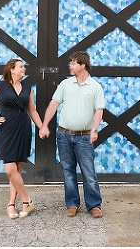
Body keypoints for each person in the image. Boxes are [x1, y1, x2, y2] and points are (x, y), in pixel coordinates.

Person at [39, 50, 105, 218]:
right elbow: (54, 104)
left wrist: (95, 129)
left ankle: (94, 205)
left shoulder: (95, 87)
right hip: (64, 135)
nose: (70, 65)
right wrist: (44, 125)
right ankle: (72, 203)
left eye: (73, 63)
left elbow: (99, 111)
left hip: (84, 137)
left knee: (88, 172)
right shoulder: (65, 84)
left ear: (82, 65)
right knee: (68, 170)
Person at [0, 58, 44, 219]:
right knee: (10, 169)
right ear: (12, 69)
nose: (24, 69)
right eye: (21, 67)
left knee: (17, 169)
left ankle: (12, 205)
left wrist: (42, 127)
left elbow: (32, 111)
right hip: (6, 129)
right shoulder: (0, 86)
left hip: (23, 128)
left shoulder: (28, 88)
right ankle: (27, 199)